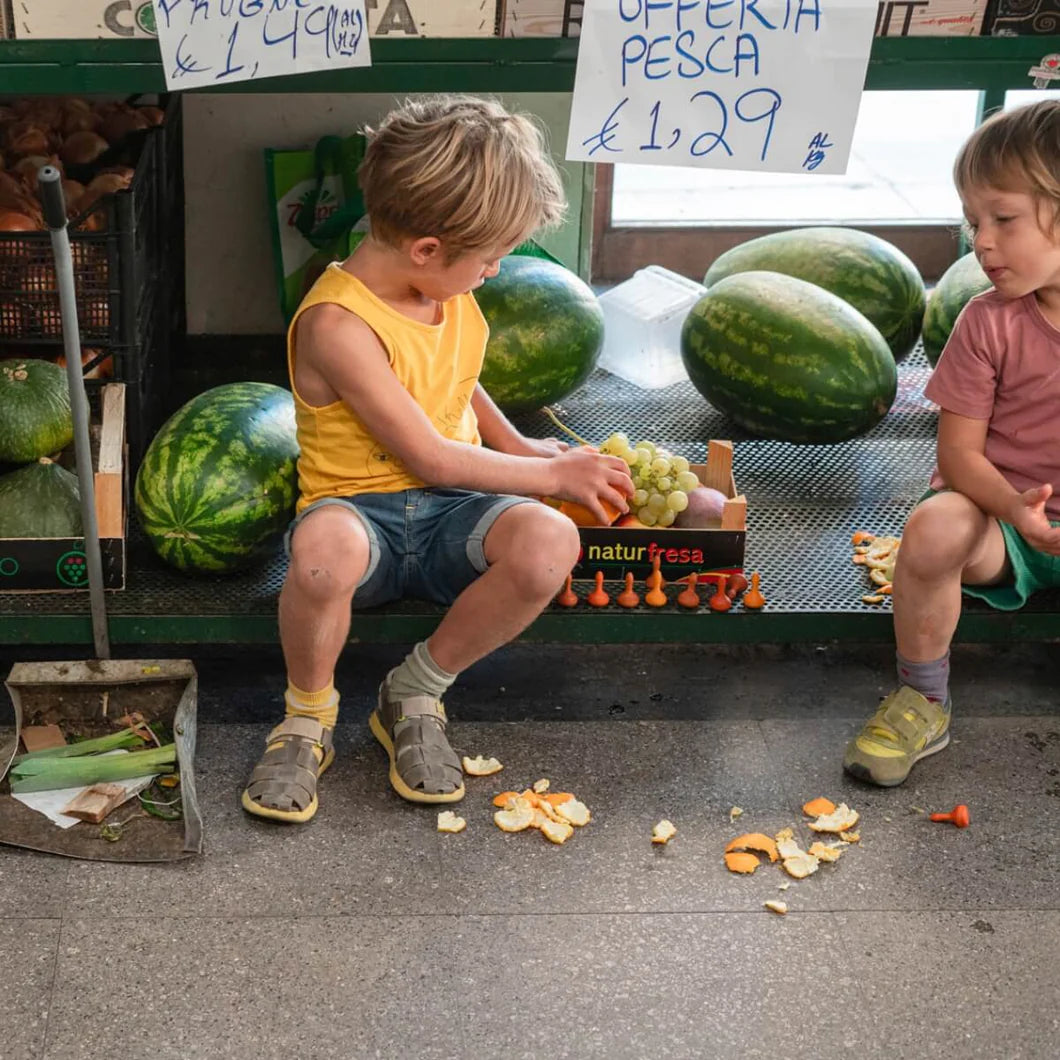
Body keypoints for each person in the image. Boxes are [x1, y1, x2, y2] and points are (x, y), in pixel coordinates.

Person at [242, 96, 633, 822]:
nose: (493, 271)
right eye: (488, 259)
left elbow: (456, 373)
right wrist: (551, 474)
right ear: (427, 249)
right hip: (362, 517)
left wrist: (514, 442)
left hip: (454, 516)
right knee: (322, 554)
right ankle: (307, 717)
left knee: (552, 541)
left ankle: (415, 692)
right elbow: (429, 455)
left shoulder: (441, 293)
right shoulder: (336, 323)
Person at [844, 99, 1060, 787]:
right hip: (1006, 525)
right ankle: (923, 699)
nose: (981, 243)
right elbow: (958, 458)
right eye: (973, 222)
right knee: (932, 529)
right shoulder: (986, 321)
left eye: (1003, 219)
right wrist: (1020, 512)